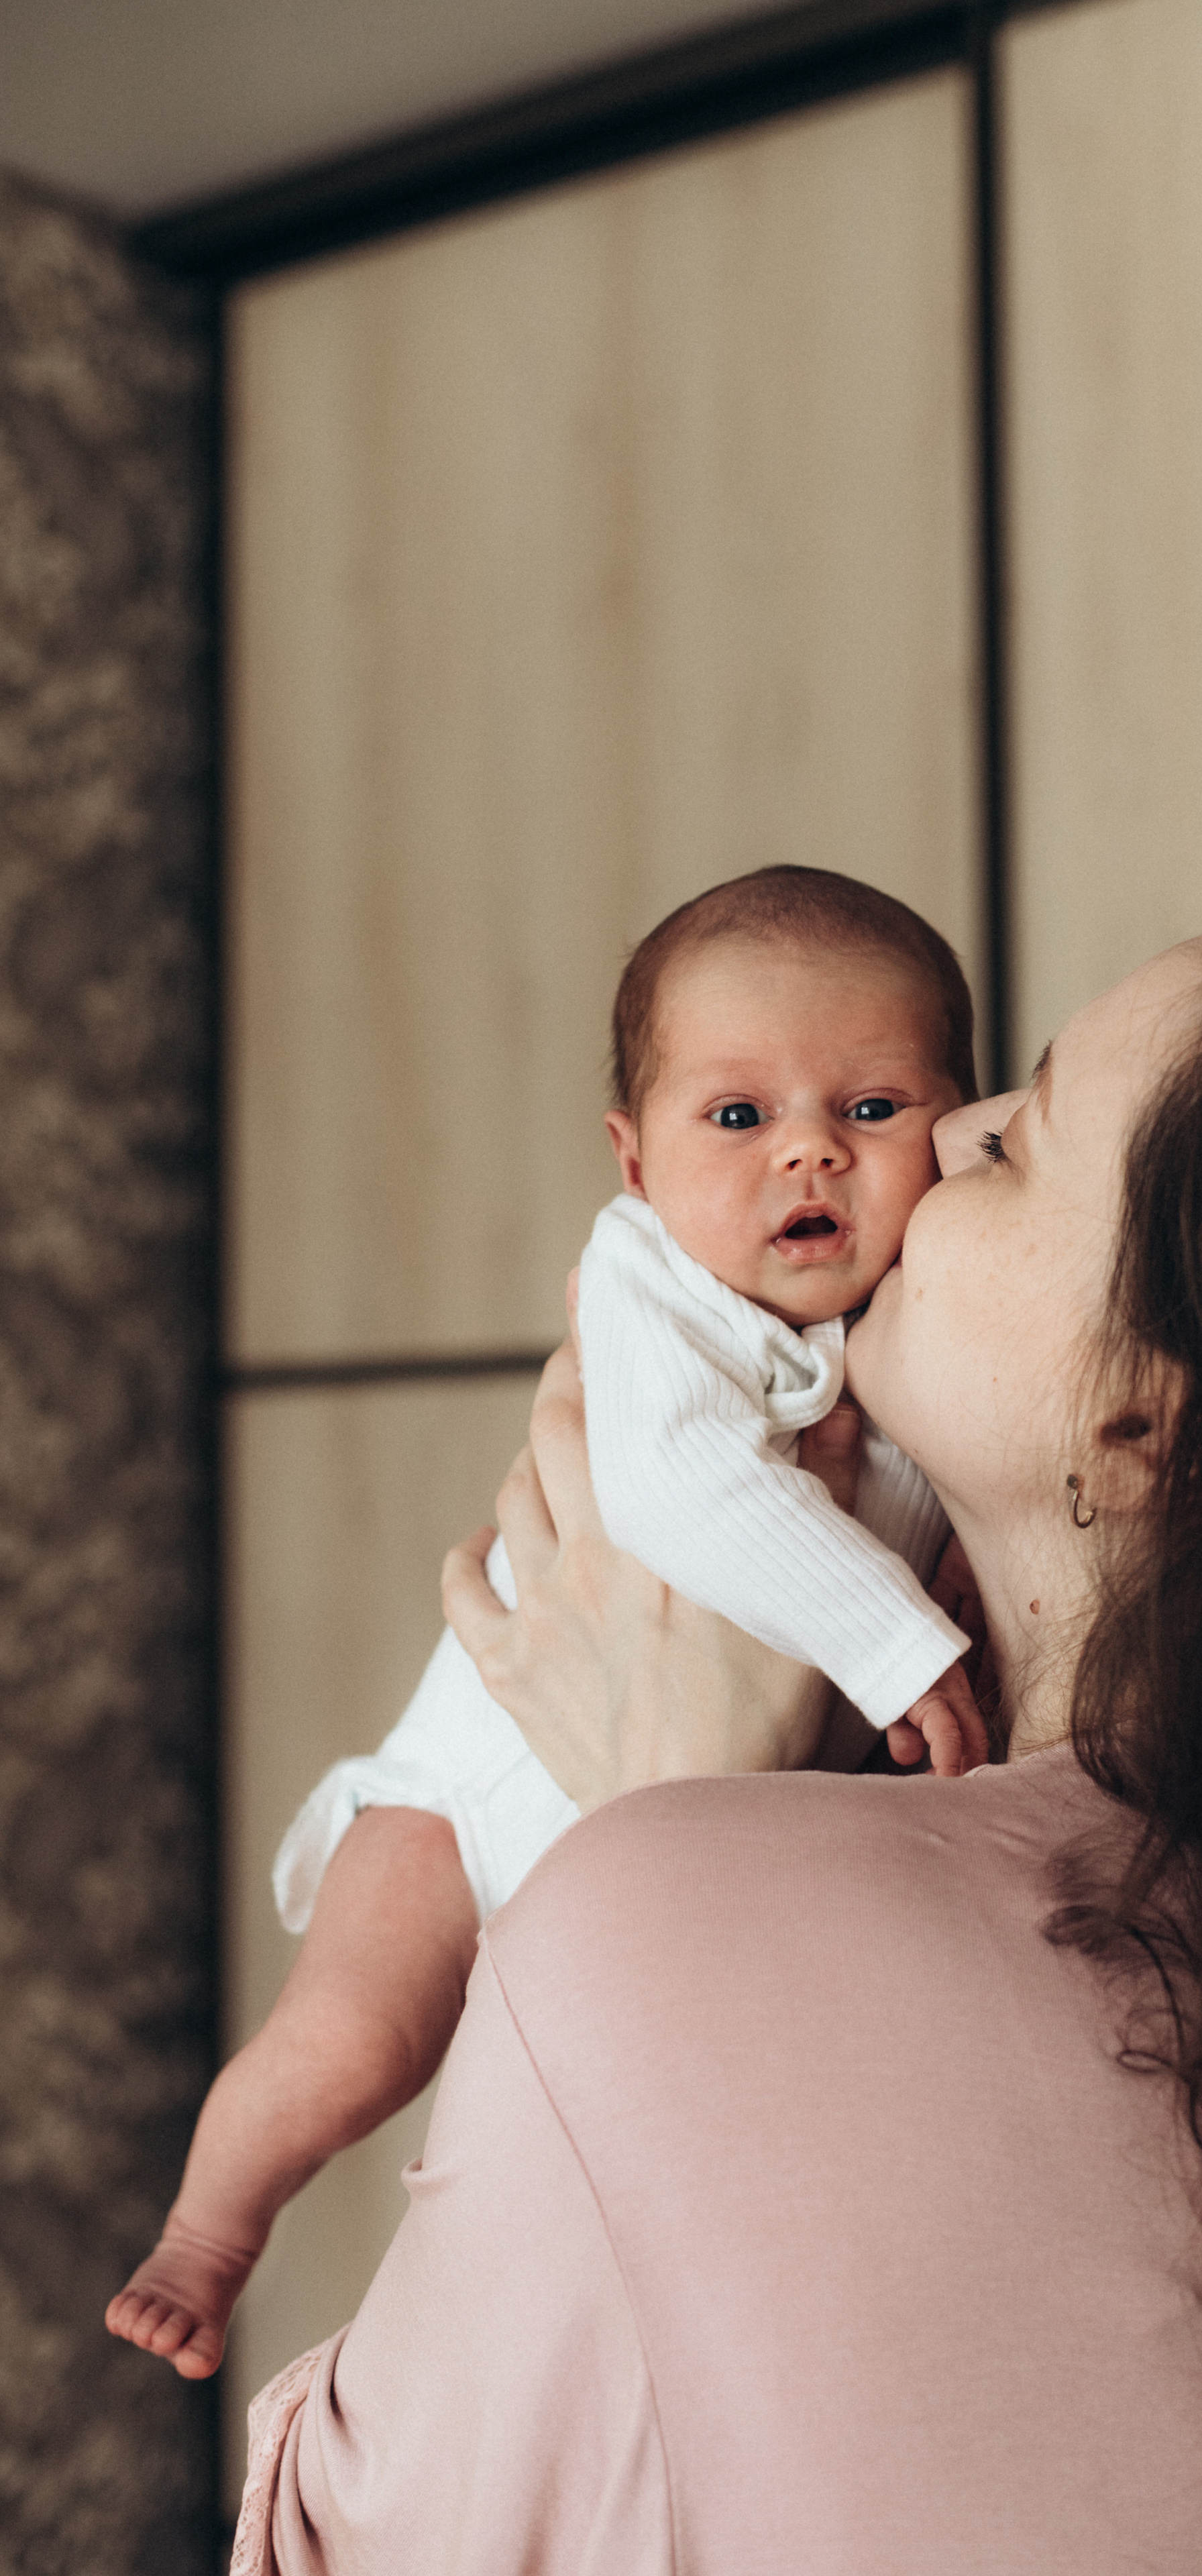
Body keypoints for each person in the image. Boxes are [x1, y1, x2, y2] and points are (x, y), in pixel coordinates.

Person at [242, 885, 1202, 2575]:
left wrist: (687, 1876)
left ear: (1140, 1405)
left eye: (1018, 1133)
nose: (933, 1143)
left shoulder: (674, 1913)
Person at [107, 867, 989, 2381]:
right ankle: (207, 2227)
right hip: (474, 1793)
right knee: (348, 2048)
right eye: (736, 1118)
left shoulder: (927, 1304)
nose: (807, 1154)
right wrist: (903, 1646)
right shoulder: (657, 1296)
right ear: (631, 1160)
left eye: (872, 1107)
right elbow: (671, 1492)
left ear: (958, 1125)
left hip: (686, 1847)